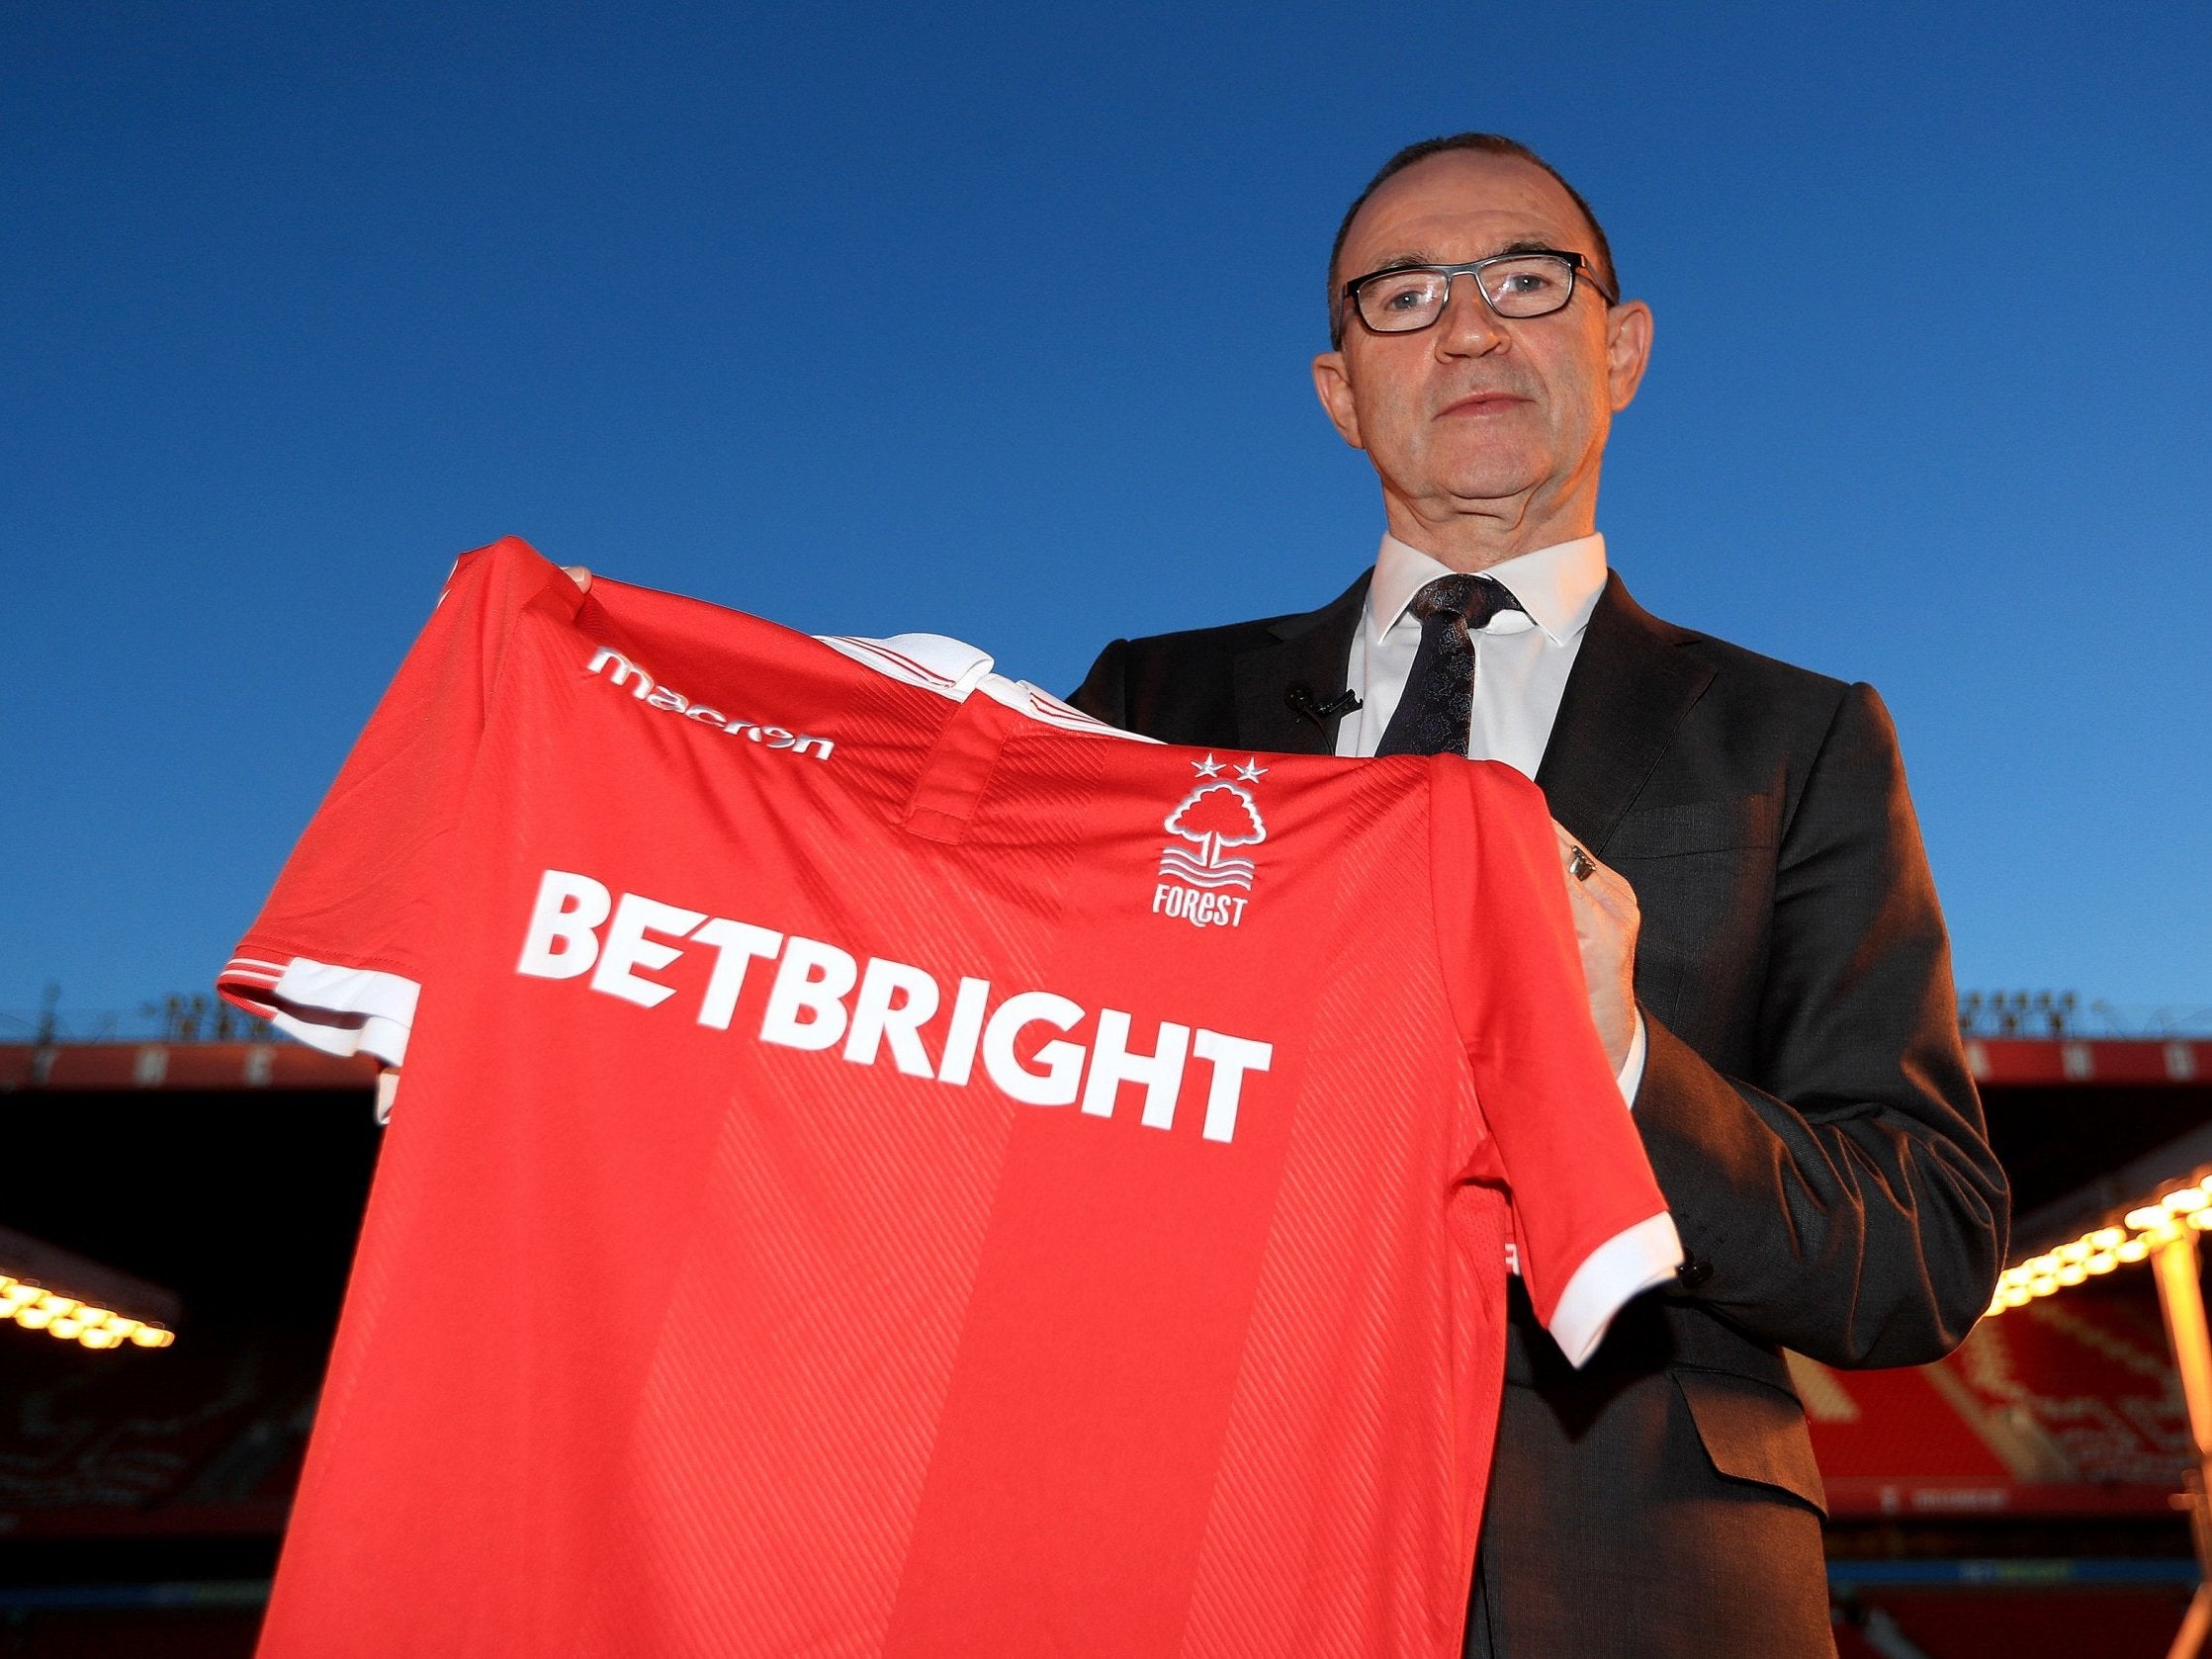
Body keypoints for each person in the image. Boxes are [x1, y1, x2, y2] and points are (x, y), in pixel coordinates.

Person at [1068, 132, 2008, 1658]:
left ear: (1619, 347)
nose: (1465, 326)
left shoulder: (1799, 738)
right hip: (1207, 1547)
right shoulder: (1144, 708)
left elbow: (1922, 1244)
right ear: (1336, 390)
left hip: (1650, 1582)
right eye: (1402, 296)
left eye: (1522, 278)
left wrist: (1618, 1062)